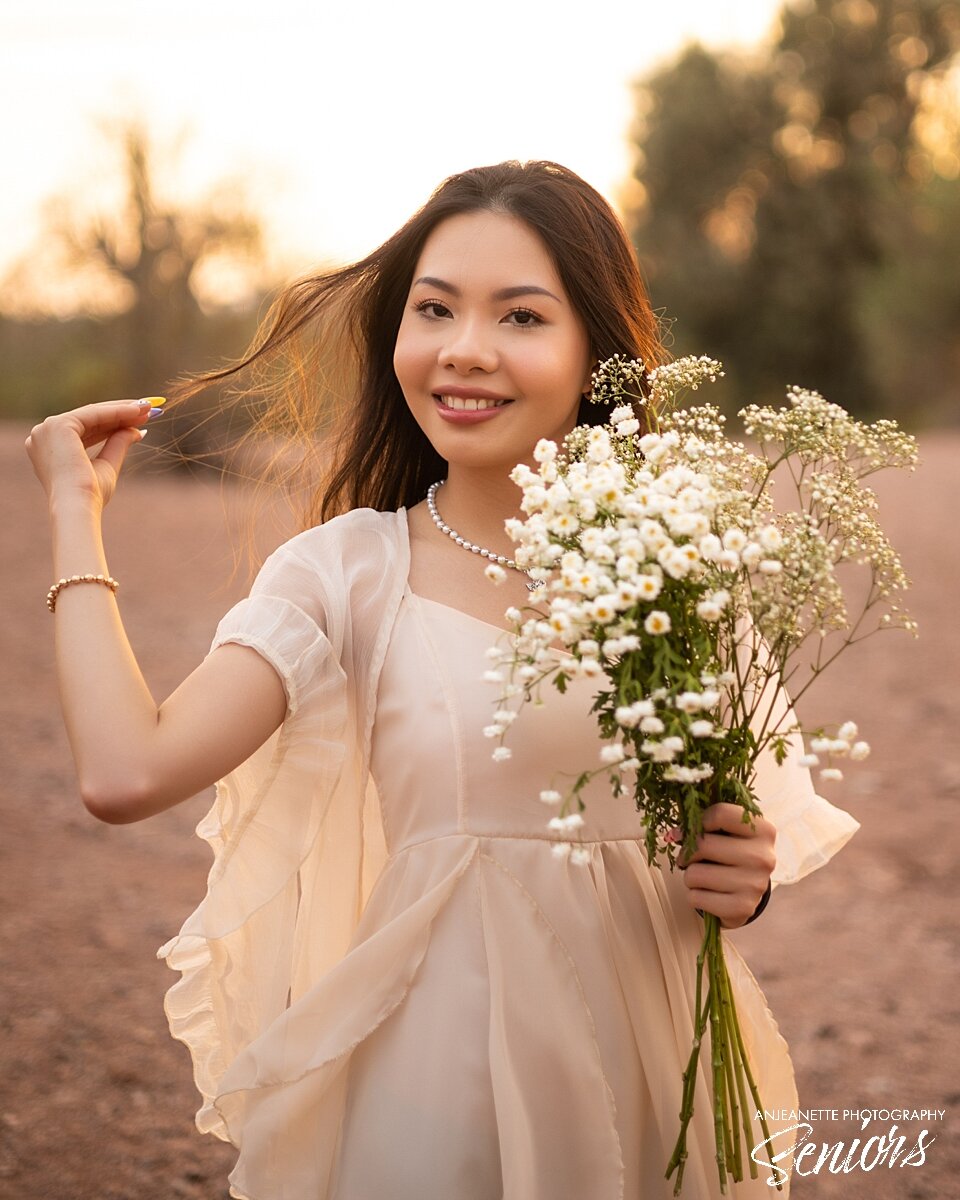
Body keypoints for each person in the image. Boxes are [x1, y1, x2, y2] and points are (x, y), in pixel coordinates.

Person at [26, 161, 858, 1200]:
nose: (465, 350)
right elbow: (124, 772)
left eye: (519, 315)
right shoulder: (345, 574)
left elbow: (731, 837)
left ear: (592, 348)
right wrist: (74, 511)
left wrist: (744, 879)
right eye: (434, 309)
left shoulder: (676, 557)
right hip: (438, 1075)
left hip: (656, 1061)